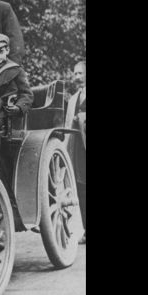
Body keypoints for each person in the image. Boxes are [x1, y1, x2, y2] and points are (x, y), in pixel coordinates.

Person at [65, 60, 86, 243]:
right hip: (79, 148)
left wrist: (81, 117)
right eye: (75, 74)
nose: (77, 77)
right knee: (82, 188)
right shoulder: (73, 99)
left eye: (80, 73)